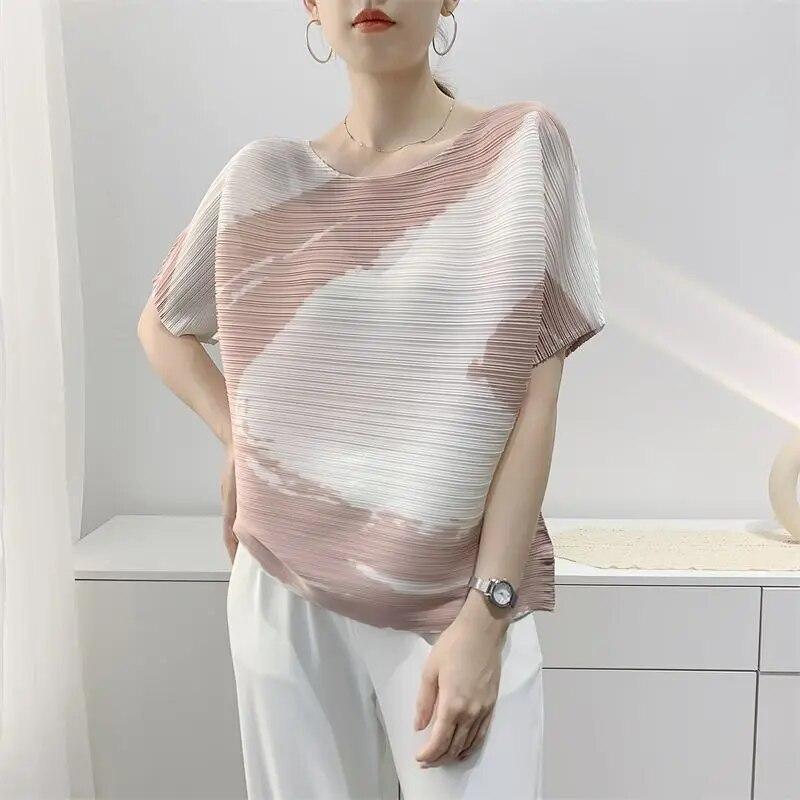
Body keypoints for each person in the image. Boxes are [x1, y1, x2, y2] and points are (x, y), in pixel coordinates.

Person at [137, 1, 606, 797]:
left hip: (455, 595)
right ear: (311, 6)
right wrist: (243, 441)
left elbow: (534, 403)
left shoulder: (521, 150)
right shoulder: (264, 177)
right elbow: (162, 327)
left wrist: (488, 614)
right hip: (283, 585)